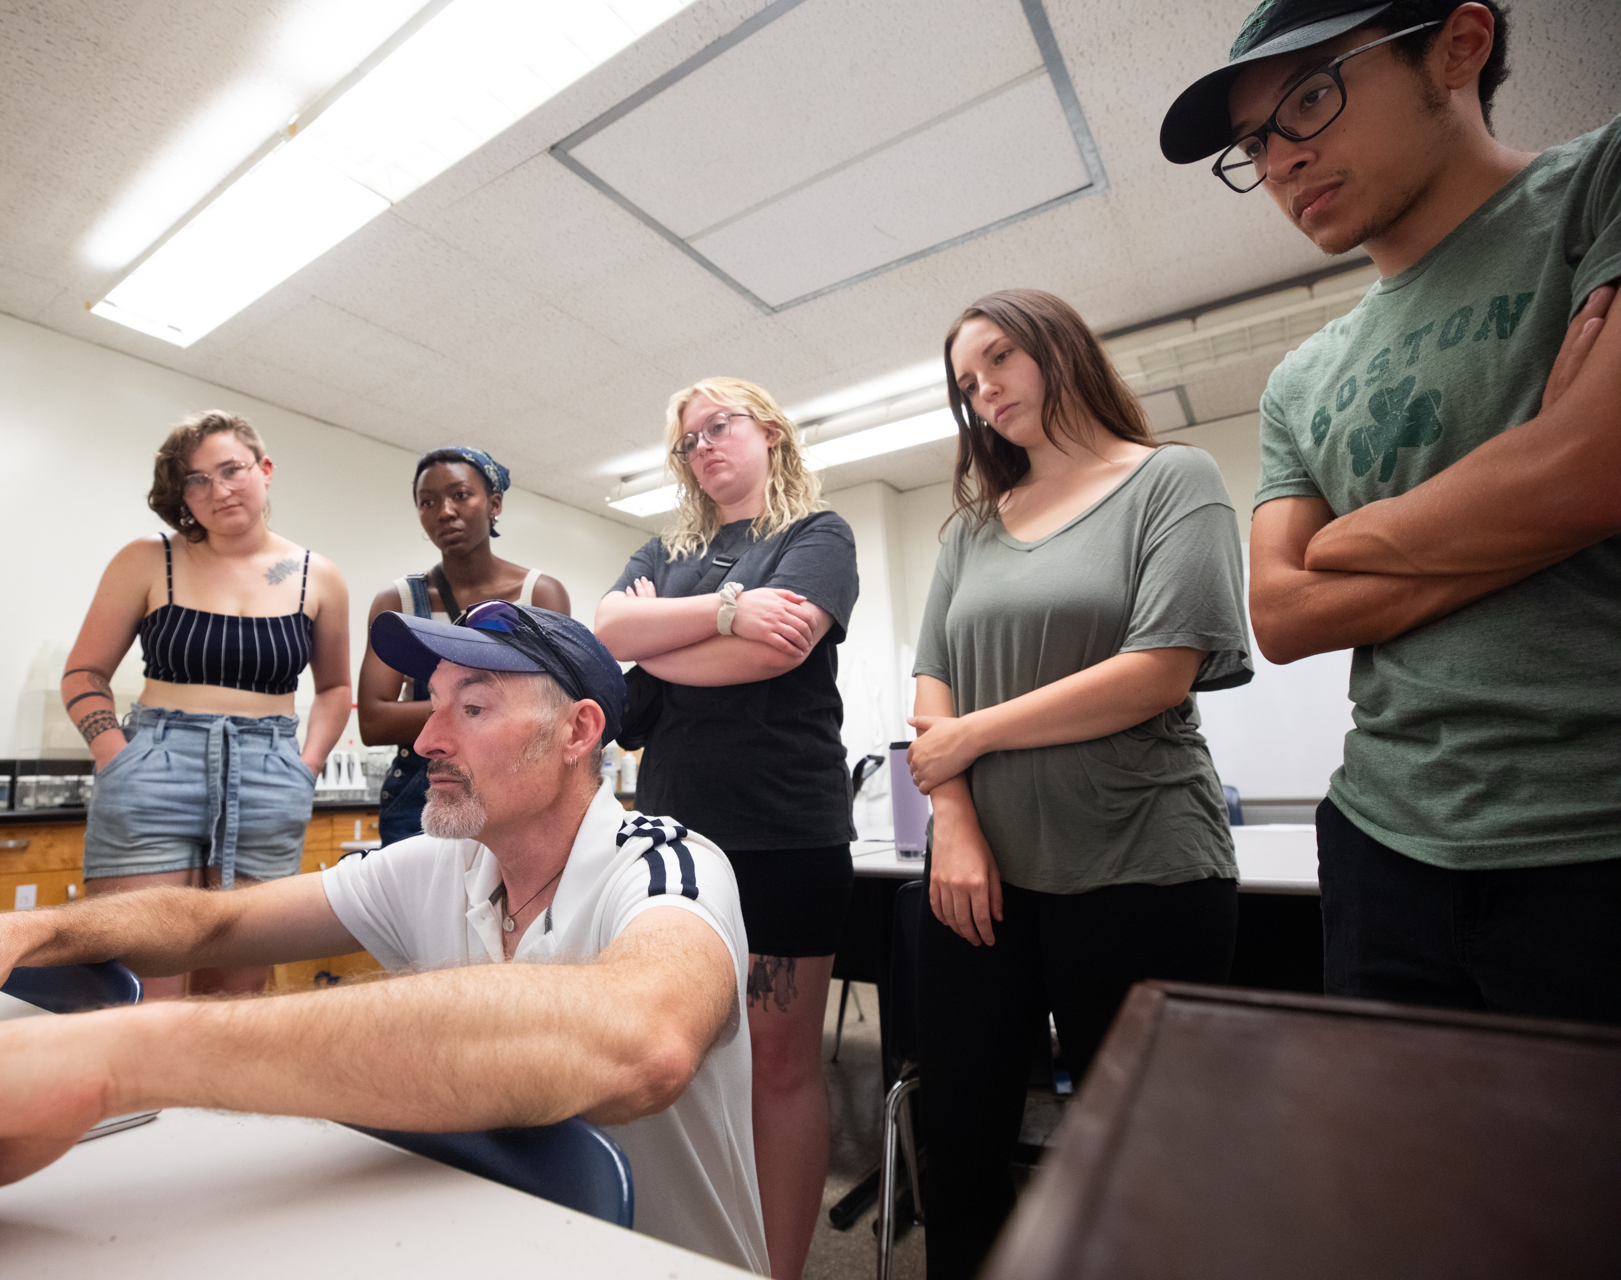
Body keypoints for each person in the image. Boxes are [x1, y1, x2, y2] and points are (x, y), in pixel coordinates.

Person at [0, 606, 769, 1277]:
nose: (428, 736)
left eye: (473, 706)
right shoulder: (448, 864)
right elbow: (211, 918)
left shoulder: (667, 863)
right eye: (432, 704)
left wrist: (102, 1062)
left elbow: (641, 1038)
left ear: (579, 731)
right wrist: (11, 928)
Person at [1160, 0, 1621, 1019]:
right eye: (1255, 141)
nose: (1280, 161)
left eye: (1311, 97)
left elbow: (1596, 469)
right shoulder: (1300, 379)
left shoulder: (1600, 185)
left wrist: (1349, 540)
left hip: (1593, 829)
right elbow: (1278, 614)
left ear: (1459, 44)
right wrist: (1539, 474)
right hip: (1383, 843)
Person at [907, 290, 1252, 1277]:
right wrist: (954, 822)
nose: (986, 392)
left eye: (1001, 359)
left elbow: (1159, 668)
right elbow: (932, 696)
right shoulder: (969, 531)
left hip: (1143, 863)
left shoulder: (1172, 481)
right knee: (963, 1141)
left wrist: (970, 734)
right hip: (982, 880)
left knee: (1146, 1154)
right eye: (968, 384)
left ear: (1061, 349)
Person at [594, 378, 856, 1280]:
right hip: (672, 838)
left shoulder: (818, 535)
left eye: (719, 427)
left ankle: (779, 1269)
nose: (703, 448)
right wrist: (730, 608)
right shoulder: (664, 547)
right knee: (684, 1051)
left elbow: (772, 652)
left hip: (785, 830)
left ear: (770, 433)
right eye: (686, 441)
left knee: (777, 1064)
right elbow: (608, 626)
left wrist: (665, 637)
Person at [60, 410, 351, 999]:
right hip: (155, 769)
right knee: (144, 974)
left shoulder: (317, 577)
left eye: (231, 470)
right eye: (196, 479)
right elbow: (83, 673)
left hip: (270, 773)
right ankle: (140, 1094)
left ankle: (203, 1097)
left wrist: (307, 765)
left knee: (238, 979)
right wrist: (116, 755)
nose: (217, 490)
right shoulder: (148, 559)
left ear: (264, 470)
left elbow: (335, 689)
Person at [359, 447, 569, 845]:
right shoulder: (398, 602)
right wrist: (490, 705)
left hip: (518, 786)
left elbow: (555, 708)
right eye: (428, 501)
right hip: (423, 793)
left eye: (459, 495)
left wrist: (445, 708)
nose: (444, 511)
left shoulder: (539, 594)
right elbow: (373, 721)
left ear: (494, 504)